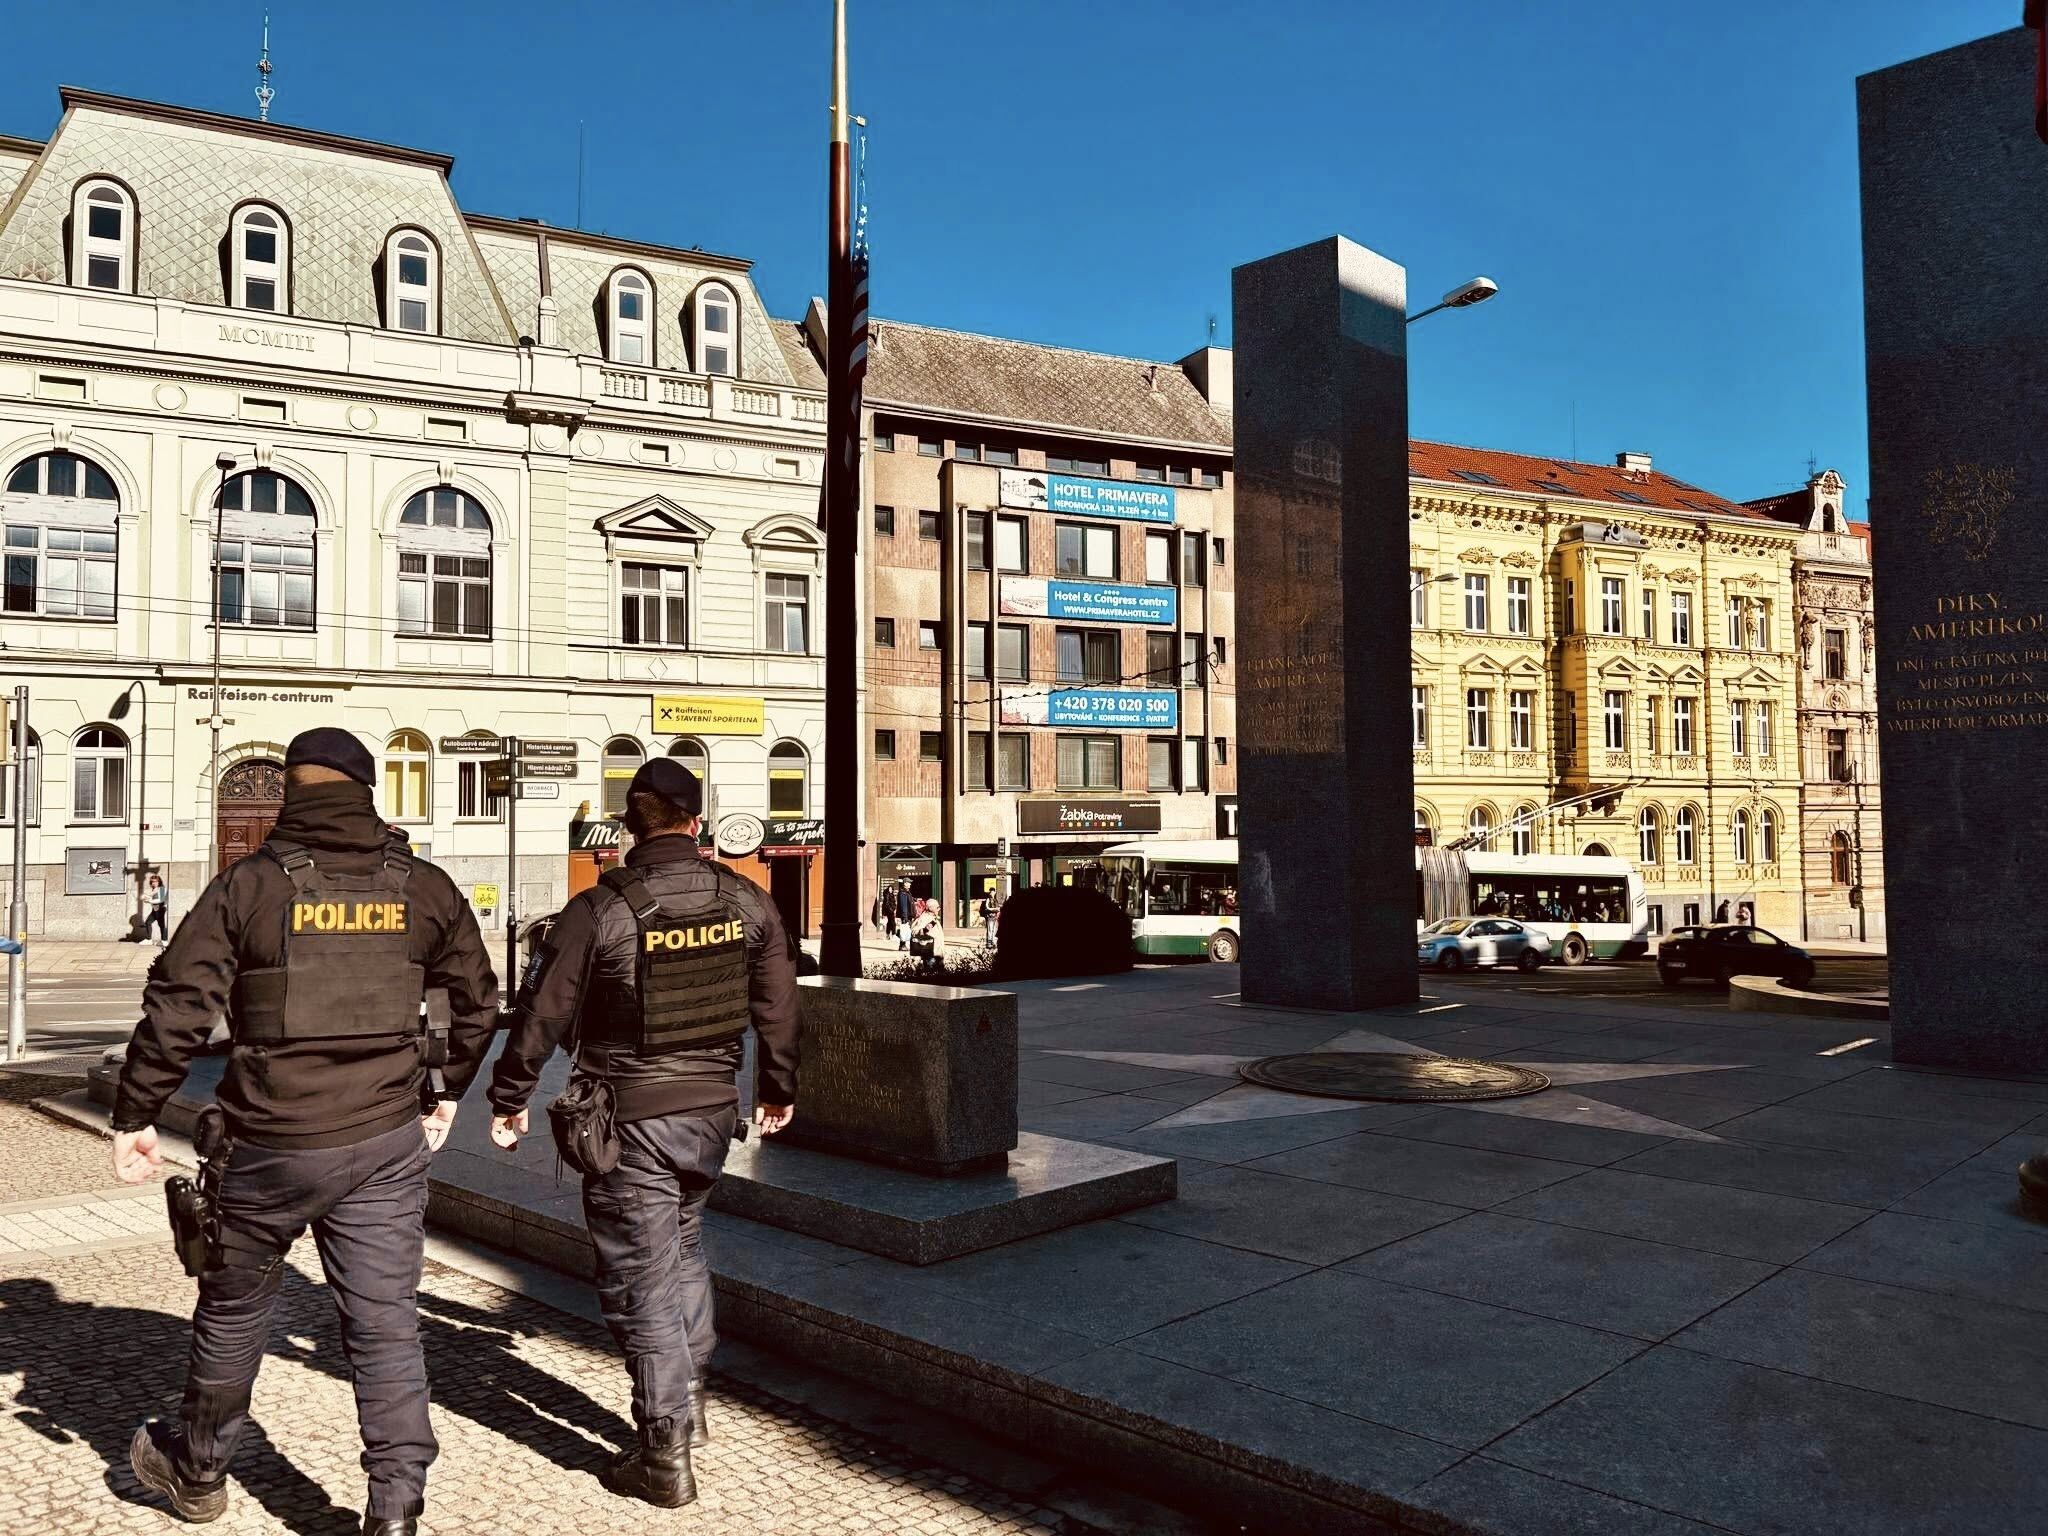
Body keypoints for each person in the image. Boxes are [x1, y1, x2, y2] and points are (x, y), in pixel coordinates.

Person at [109, 727, 499, 1536]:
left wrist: (137, 1111)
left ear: (292, 790)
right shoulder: (423, 886)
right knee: (386, 1322)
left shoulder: (250, 884)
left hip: (268, 1145)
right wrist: (446, 1091)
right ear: (366, 790)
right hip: (384, 1142)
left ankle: (198, 1473)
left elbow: (180, 1004)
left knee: (233, 1312)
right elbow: (477, 1002)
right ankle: (396, 1507)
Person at [484, 758, 798, 1510]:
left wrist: (510, 1095)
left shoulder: (600, 908)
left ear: (630, 825)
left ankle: (663, 1453)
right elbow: (780, 1003)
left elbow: (543, 1010)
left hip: (629, 1118)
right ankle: (688, 1405)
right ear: (697, 822)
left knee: (640, 1278)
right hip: (711, 1114)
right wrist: (778, 1088)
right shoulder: (748, 900)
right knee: (682, 1252)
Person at [143, 873, 169, 946]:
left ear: (159, 881)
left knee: (161, 925)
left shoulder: (162, 889)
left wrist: (149, 901)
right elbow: (152, 898)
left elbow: (161, 900)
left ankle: (164, 941)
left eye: (155, 881)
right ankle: (150, 940)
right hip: (155, 909)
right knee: (148, 922)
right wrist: (146, 899)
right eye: (152, 882)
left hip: (160, 909)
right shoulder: (154, 889)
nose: (153, 883)